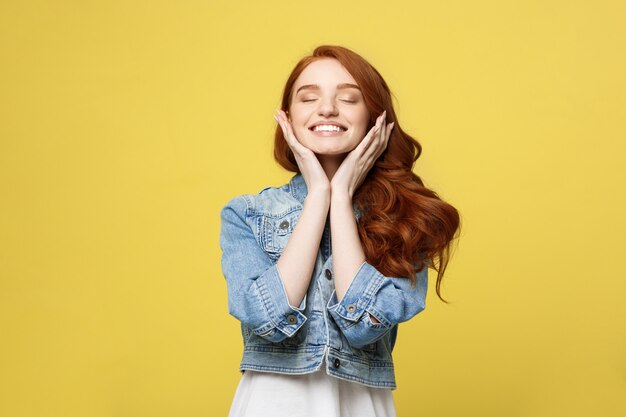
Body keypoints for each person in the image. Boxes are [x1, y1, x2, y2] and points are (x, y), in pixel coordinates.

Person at [219, 45, 461, 417]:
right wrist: (319, 193)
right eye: (309, 97)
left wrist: (342, 194)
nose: (327, 109)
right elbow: (266, 319)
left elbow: (364, 324)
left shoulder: (409, 218)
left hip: (360, 405)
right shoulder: (247, 214)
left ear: (375, 118)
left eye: (349, 98)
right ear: (287, 117)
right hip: (271, 404)